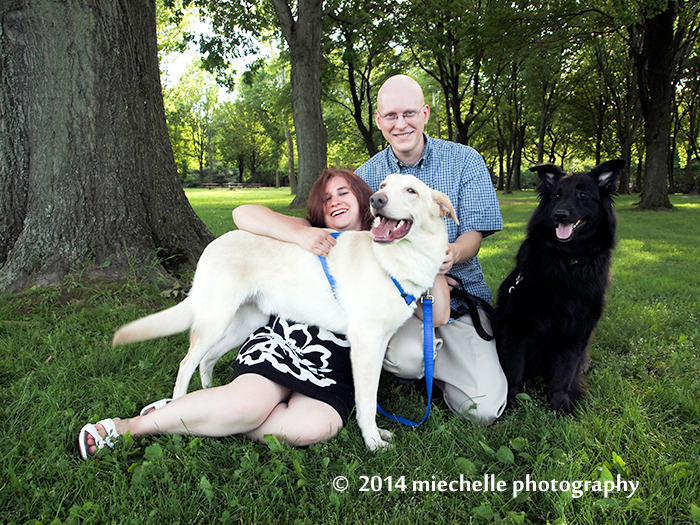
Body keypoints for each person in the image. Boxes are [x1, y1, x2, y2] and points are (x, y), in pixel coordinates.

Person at [78, 169, 450, 459]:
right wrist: (302, 235)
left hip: (331, 367)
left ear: (364, 197)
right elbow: (243, 213)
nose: (335, 202)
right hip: (283, 344)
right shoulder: (306, 232)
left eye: (343, 193)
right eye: (326, 198)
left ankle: (202, 412)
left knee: (308, 428)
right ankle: (158, 414)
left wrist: (439, 262)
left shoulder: (395, 249)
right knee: (246, 402)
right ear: (317, 210)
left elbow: (434, 315)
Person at [355, 74, 508, 425]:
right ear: (379, 121)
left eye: (409, 113)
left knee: (482, 410)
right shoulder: (367, 175)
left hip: (458, 295)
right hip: (400, 300)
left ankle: (446, 365)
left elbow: (475, 231)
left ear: (425, 113)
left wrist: (451, 254)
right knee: (406, 358)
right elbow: (352, 236)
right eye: (390, 116)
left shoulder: (465, 160)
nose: (401, 124)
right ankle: (416, 366)